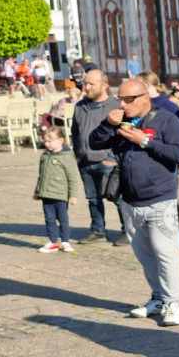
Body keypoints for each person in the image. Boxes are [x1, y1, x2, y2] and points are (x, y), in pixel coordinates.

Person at [92, 76, 179, 326]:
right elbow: (94, 142)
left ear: (144, 98)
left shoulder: (167, 119)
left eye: (127, 100)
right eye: (119, 99)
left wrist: (143, 141)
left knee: (166, 255)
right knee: (145, 257)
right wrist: (107, 124)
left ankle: (173, 303)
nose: (122, 105)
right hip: (130, 202)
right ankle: (158, 297)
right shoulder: (123, 120)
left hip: (160, 200)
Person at [70, 68, 122, 243]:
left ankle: (128, 230)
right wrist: (78, 155)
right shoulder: (80, 106)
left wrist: (112, 158)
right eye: (85, 83)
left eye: (91, 84)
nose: (86, 87)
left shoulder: (115, 106)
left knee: (117, 198)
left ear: (104, 85)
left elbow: (122, 135)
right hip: (85, 161)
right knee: (93, 199)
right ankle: (98, 230)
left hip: (107, 161)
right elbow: (75, 133)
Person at [33, 125, 81, 253]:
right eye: (45, 141)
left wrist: (73, 195)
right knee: (49, 219)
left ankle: (65, 241)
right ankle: (53, 241)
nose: (47, 144)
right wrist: (38, 191)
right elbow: (41, 176)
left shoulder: (66, 157)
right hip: (46, 195)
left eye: (50, 141)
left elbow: (73, 177)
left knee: (63, 219)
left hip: (60, 195)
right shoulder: (44, 156)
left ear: (61, 140)